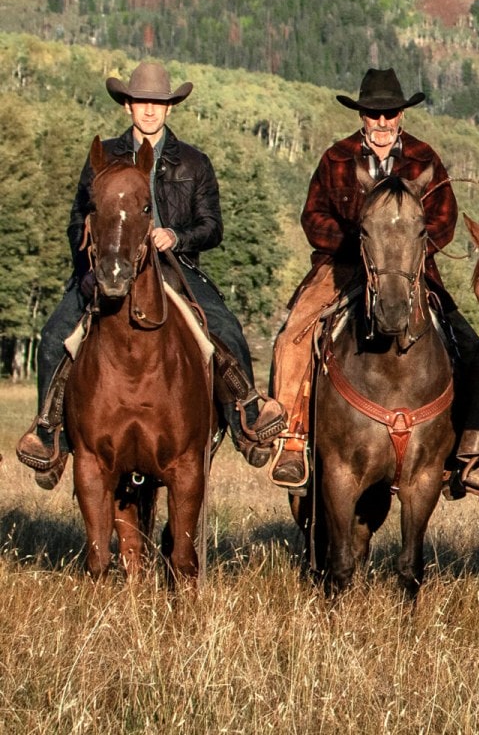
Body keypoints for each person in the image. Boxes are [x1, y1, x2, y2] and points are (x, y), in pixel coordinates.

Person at [15, 61, 285, 487]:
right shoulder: (103, 158)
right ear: (128, 105)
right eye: (142, 101)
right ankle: (51, 436)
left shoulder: (194, 162)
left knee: (224, 327)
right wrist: (88, 269)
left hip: (174, 266)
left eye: (158, 103)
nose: (149, 110)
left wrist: (175, 236)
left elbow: (212, 226)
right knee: (54, 336)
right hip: (109, 265)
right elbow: (77, 223)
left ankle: (246, 418)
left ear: (170, 108)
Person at [267, 69, 479, 495]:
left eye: (389, 113)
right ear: (362, 115)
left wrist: (402, 251)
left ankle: (470, 451)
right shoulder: (336, 158)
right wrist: (362, 242)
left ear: (401, 115)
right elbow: (312, 217)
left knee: (470, 346)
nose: (381, 122)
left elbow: (444, 220)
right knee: (293, 337)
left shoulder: (424, 159)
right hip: (340, 267)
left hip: (410, 271)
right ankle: (292, 439)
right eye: (373, 114)